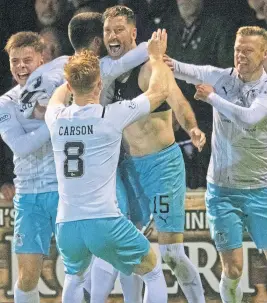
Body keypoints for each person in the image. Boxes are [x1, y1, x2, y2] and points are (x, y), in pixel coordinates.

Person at [45, 29, 171, 303]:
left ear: (70, 85)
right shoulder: (110, 116)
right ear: (99, 85)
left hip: (66, 224)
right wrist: (157, 58)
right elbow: (159, 92)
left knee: (75, 279)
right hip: (104, 220)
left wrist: (70, 77)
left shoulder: (55, 118)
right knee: (152, 270)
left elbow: (56, 97)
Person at [98, 5, 206, 303]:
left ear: (133, 33)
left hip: (161, 167)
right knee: (130, 247)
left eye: (119, 29)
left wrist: (192, 128)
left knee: (171, 254)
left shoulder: (150, 68)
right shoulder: (109, 74)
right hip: (128, 168)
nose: (112, 36)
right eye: (107, 30)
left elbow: (179, 101)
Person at [164, 25, 267, 303]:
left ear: (264, 54)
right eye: (237, 50)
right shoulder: (222, 77)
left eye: (248, 50)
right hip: (222, 191)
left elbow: (248, 117)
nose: (240, 56)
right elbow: (182, 69)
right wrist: (155, 56)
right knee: (233, 269)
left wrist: (211, 97)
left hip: (261, 191)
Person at [0, 31, 58, 303]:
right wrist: (54, 122)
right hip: (29, 196)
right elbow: (20, 146)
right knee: (27, 277)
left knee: (79, 269)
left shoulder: (61, 93)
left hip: (64, 192)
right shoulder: (5, 103)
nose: (21, 67)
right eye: (15, 61)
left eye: (27, 60)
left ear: (42, 60)